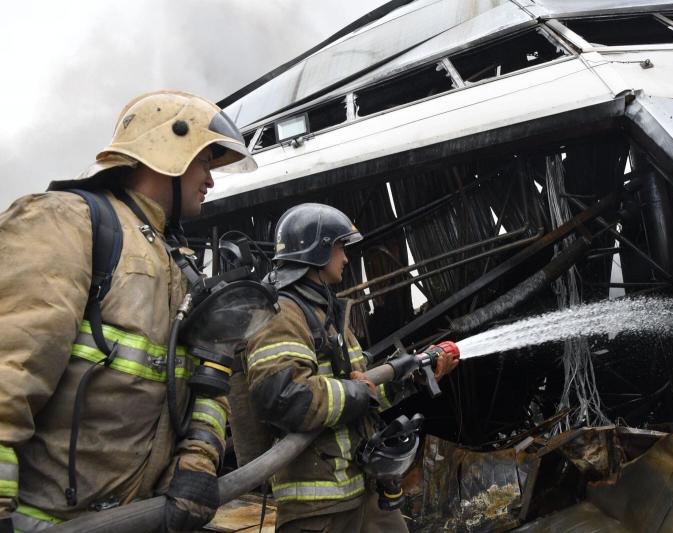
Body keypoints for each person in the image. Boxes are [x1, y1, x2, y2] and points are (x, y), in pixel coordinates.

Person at [0, 90, 257, 532]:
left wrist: (197, 463)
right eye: (204, 163)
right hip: (44, 522)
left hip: (138, 517)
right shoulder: (67, 221)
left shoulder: (177, 261)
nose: (210, 181)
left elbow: (209, 381)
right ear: (168, 152)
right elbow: (10, 371)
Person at [244, 203, 459, 532]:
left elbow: (364, 390)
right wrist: (356, 391)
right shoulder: (281, 314)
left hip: (363, 488)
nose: (345, 257)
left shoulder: (325, 314)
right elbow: (282, 397)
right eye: (340, 247)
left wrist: (410, 378)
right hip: (318, 505)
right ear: (318, 250)